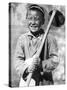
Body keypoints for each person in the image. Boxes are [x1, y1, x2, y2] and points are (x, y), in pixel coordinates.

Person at [14, 4, 59, 86]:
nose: (33, 22)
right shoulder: (22, 39)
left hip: (44, 82)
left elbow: (55, 60)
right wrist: (27, 69)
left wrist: (41, 64)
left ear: (43, 21)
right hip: (27, 81)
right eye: (30, 18)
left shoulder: (49, 39)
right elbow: (18, 60)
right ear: (26, 20)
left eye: (37, 19)